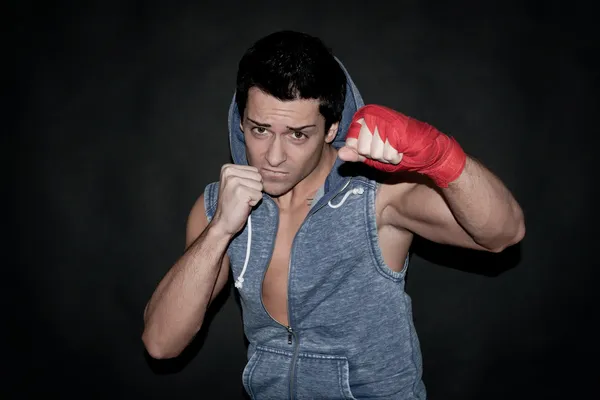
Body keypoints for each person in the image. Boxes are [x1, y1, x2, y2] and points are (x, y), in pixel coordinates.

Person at [142, 30, 525, 399]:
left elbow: (503, 235)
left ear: (331, 128)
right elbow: (161, 343)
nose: (274, 157)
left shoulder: (377, 196)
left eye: (297, 134)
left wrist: (441, 157)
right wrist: (221, 229)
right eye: (260, 130)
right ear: (241, 122)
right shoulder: (219, 204)